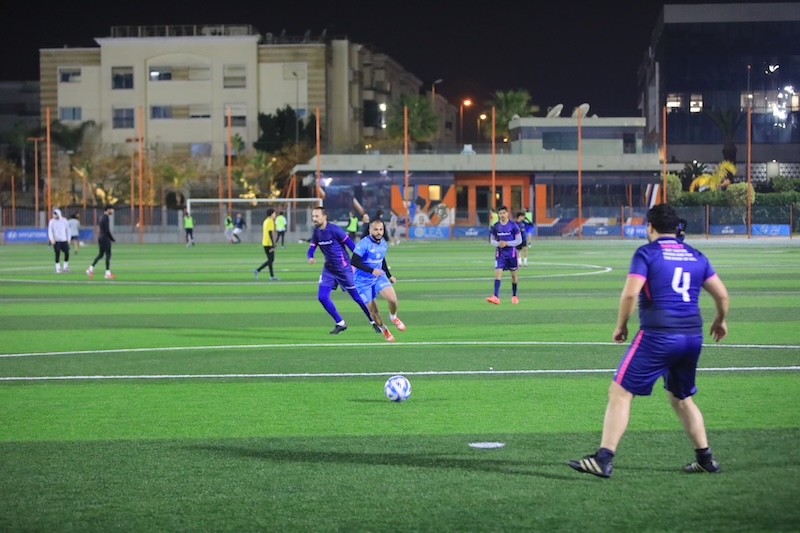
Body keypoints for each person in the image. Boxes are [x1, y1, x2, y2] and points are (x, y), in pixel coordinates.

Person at [568, 203, 729, 479]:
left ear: (650, 227)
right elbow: (722, 294)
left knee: (620, 392)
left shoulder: (647, 253)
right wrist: (720, 320)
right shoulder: (696, 255)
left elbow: (631, 294)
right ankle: (705, 459)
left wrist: (621, 325)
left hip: (658, 335)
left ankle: (604, 459)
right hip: (692, 336)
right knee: (682, 398)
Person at [307, 206, 380, 334]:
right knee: (322, 297)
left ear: (324, 217)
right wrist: (310, 256)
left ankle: (374, 322)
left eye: (317, 216)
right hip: (329, 270)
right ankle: (340, 323)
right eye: (313, 216)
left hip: (344, 269)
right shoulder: (316, 232)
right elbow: (312, 247)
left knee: (358, 298)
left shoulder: (335, 230)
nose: (314, 219)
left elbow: (352, 246)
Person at [351, 219, 407, 342]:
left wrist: (389, 275)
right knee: (374, 311)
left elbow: (382, 259)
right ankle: (383, 329)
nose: (379, 232)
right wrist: (371, 270)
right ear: (370, 230)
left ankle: (393, 317)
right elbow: (353, 261)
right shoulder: (363, 244)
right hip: (362, 282)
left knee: (393, 300)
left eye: (381, 229)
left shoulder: (383, 243)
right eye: (376, 229)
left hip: (378, 277)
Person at [486, 206, 521, 305]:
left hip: (511, 254)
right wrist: (498, 244)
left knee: (513, 276)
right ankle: (495, 296)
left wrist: (507, 243)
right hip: (500, 254)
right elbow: (492, 240)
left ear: (507, 214)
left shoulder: (513, 226)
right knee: (498, 274)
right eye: (500, 213)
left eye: (503, 213)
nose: (502, 215)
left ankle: (514, 295)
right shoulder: (496, 226)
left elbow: (519, 241)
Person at [86, 205, 116, 279]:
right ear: (108, 209)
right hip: (105, 238)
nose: (112, 211)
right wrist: (112, 238)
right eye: (111, 209)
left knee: (101, 255)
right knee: (108, 254)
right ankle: (107, 273)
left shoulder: (101, 217)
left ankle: (90, 269)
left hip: (101, 237)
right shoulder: (106, 218)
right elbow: (107, 230)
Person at [254, 208, 279, 281]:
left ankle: (272, 276)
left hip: (265, 242)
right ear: (271, 214)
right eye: (274, 213)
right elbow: (270, 232)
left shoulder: (265, 221)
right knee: (271, 260)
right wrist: (273, 243)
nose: (275, 214)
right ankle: (258, 270)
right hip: (268, 243)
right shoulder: (270, 221)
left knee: (270, 260)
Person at [48, 208, 71, 273]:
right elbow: (50, 231)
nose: (54, 215)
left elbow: (68, 230)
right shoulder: (52, 221)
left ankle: (65, 267)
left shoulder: (64, 220)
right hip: (56, 240)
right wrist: (52, 239)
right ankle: (58, 268)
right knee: (57, 253)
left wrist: (68, 238)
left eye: (55, 214)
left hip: (64, 239)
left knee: (67, 252)